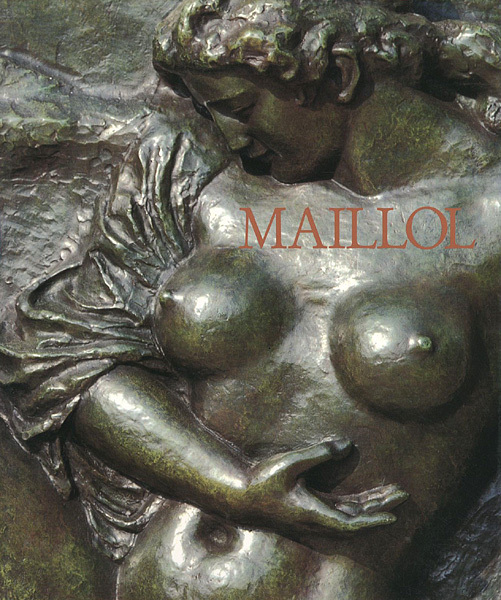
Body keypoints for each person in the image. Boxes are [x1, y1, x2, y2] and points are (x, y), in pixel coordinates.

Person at [0, 1, 499, 598]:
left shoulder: (488, 223)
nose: (231, 134)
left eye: (239, 108)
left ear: (339, 75)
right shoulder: (203, 179)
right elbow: (64, 352)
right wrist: (231, 484)